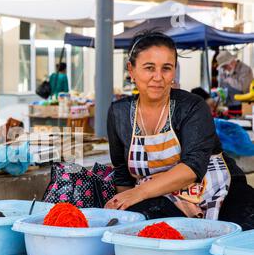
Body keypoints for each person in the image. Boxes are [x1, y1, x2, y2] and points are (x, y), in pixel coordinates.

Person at [105, 31, 254, 230]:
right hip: (157, 196)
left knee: (240, 231)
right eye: (149, 68)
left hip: (217, 189)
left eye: (166, 68)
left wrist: (138, 193)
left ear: (174, 71)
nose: (158, 77)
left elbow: (192, 168)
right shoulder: (119, 113)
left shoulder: (192, 106)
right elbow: (122, 173)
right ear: (131, 70)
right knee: (143, 225)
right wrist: (125, 205)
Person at [216, 50, 253, 116]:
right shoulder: (223, 70)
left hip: (241, 105)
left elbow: (243, 87)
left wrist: (229, 79)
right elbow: (220, 86)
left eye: (225, 66)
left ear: (231, 62)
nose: (224, 69)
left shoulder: (245, 69)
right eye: (222, 67)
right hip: (226, 104)